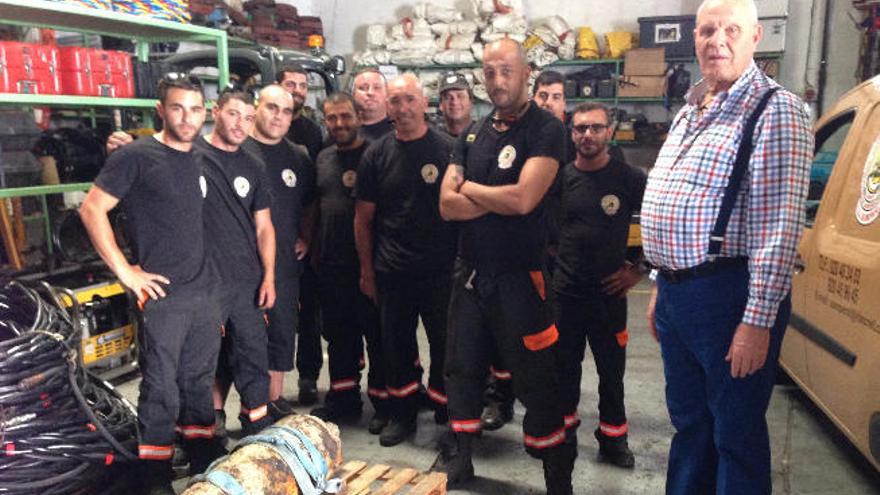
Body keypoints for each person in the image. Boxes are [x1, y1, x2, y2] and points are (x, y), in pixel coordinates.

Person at [641, 1, 812, 493]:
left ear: (756, 36)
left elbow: (779, 230)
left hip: (729, 297)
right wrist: (660, 283)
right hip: (680, 294)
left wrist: (757, 322)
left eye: (731, 29)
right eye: (708, 30)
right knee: (690, 424)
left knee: (734, 433)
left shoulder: (775, 110)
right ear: (694, 38)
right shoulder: (692, 106)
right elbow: (677, 199)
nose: (718, 39)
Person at [439, 39, 575, 494]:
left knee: (537, 378)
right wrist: (493, 195)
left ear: (526, 73)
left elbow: (523, 200)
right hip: (470, 275)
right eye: (489, 72)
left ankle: (557, 475)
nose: (497, 80)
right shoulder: (472, 134)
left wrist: (471, 188)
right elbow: (445, 205)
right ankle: (460, 458)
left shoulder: (546, 130)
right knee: (461, 368)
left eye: (506, 71)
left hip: (522, 278)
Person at [79, 74, 223, 494]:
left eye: (195, 109)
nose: (187, 117)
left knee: (199, 380)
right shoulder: (136, 156)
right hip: (161, 294)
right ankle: (155, 475)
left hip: (203, 292)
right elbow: (92, 210)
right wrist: (126, 271)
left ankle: (201, 456)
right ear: (161, 110)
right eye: (177, 107)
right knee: (160, 387)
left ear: (205, 113)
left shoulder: (201, 156)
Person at [354, 73, 457, 447]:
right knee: (397, 347)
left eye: (410, 99)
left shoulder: (449, 150)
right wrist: (367, 271)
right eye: (395, 101)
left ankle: (448, 411)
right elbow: (362, 219)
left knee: (447, 344)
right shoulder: (376, 154)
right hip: (393, 271)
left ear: (424, 103)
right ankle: (403, 414)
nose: (403, 108)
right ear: (387, 107)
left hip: (441, 273)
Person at [553, 102, 646, 469]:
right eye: (580, 129)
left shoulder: (629, 178)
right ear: (571, 133)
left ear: (609, 131)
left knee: (612, 372)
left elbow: (657, 225)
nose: (587, 135)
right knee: (565, 369)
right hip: (567, 294)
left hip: (610, 295)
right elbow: (545, 231)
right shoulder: (559, 179)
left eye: (595, 128)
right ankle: (564, 434)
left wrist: (638, 269)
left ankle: (613, 440)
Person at [196, 89, 275, 439]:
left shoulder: (253, 165)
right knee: (200, 360)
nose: (240, 124)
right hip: (201, 282)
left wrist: (269, 275)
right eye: (233, 114)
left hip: (247, 281)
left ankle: (256, 426)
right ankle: (203, 432)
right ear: (215, 112)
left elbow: (264, 227)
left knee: (252, 355)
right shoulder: (190, 156)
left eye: (247, 117)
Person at [309, 92, 388, 434]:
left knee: (378, 335)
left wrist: (373, 266)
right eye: (332, 118)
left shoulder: (376, 154)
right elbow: (314, 206)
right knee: (339, 336)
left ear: (358, 116)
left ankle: (385, 404)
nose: (339, 124)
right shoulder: (323, 158)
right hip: (331, 266)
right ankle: (344, 399)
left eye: (345, 116)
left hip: (368, 264)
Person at [241, 85, 317, 420]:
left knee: (282, 332)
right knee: (236, 338)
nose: (278, 117)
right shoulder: (235, 149)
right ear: (257, 108)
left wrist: (306, 237)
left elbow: (311, 203)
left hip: (285, 262)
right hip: (239, 264)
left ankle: (273, 400)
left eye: (286, 112)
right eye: (272, 108)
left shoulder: (298, 156)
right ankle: (225, 410)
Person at [277, 63, 323, 406]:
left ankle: (308, 378)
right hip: (262, 246)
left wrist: (308, 237)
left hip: (302, 242)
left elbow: (314, 193)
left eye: (302, 85)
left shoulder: (311, 132)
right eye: (290, 83)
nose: (297, 89)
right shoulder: (254, 130)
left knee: (309, 313)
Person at [277, 63, 324, 161]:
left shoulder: (313, 131)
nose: (298, 90)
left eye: (303, 86)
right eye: (290, 85)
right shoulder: (266, 125)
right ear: (276, 86)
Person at [352, 67, 394, 141]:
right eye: (363, 88)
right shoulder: (344, 132)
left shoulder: (400, 132)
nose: (370, 93)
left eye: (377, 88)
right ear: (353, 94)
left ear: (387, 93)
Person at [436, 71, 475, 138]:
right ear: (441, 105)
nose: (454, 102)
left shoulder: (484, 136)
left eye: (460, 96)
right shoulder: (435, 139)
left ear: (471, 102)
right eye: (447, 97)